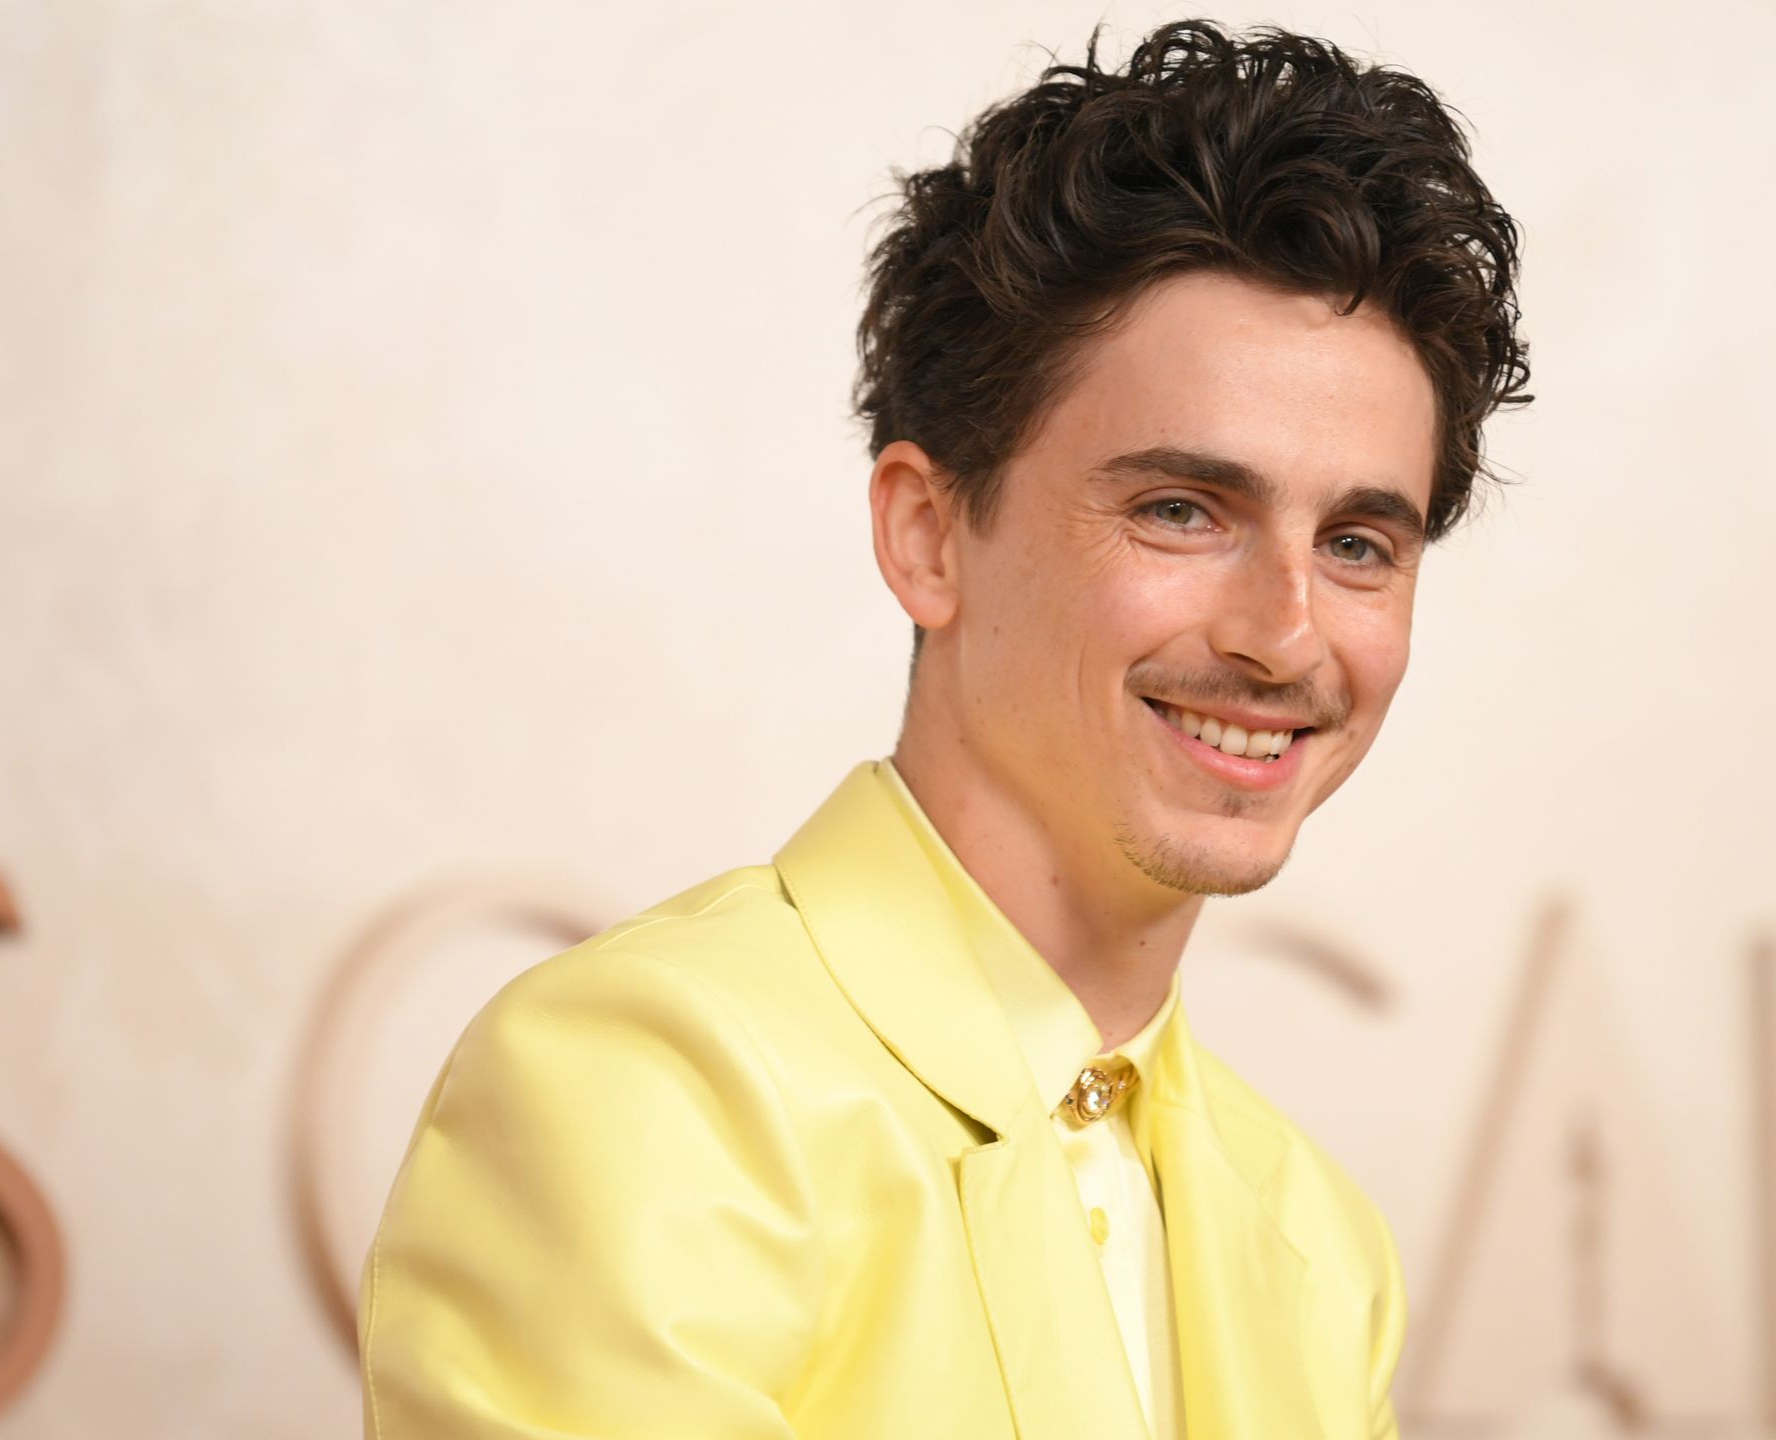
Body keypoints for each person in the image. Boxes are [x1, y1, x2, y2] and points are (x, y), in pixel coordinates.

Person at [358, 18, 1528, 1439]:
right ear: (927, 534)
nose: (1283, 636)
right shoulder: (643, 1090)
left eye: (1357, 544)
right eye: (1181, 510)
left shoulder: (1323, 1250)